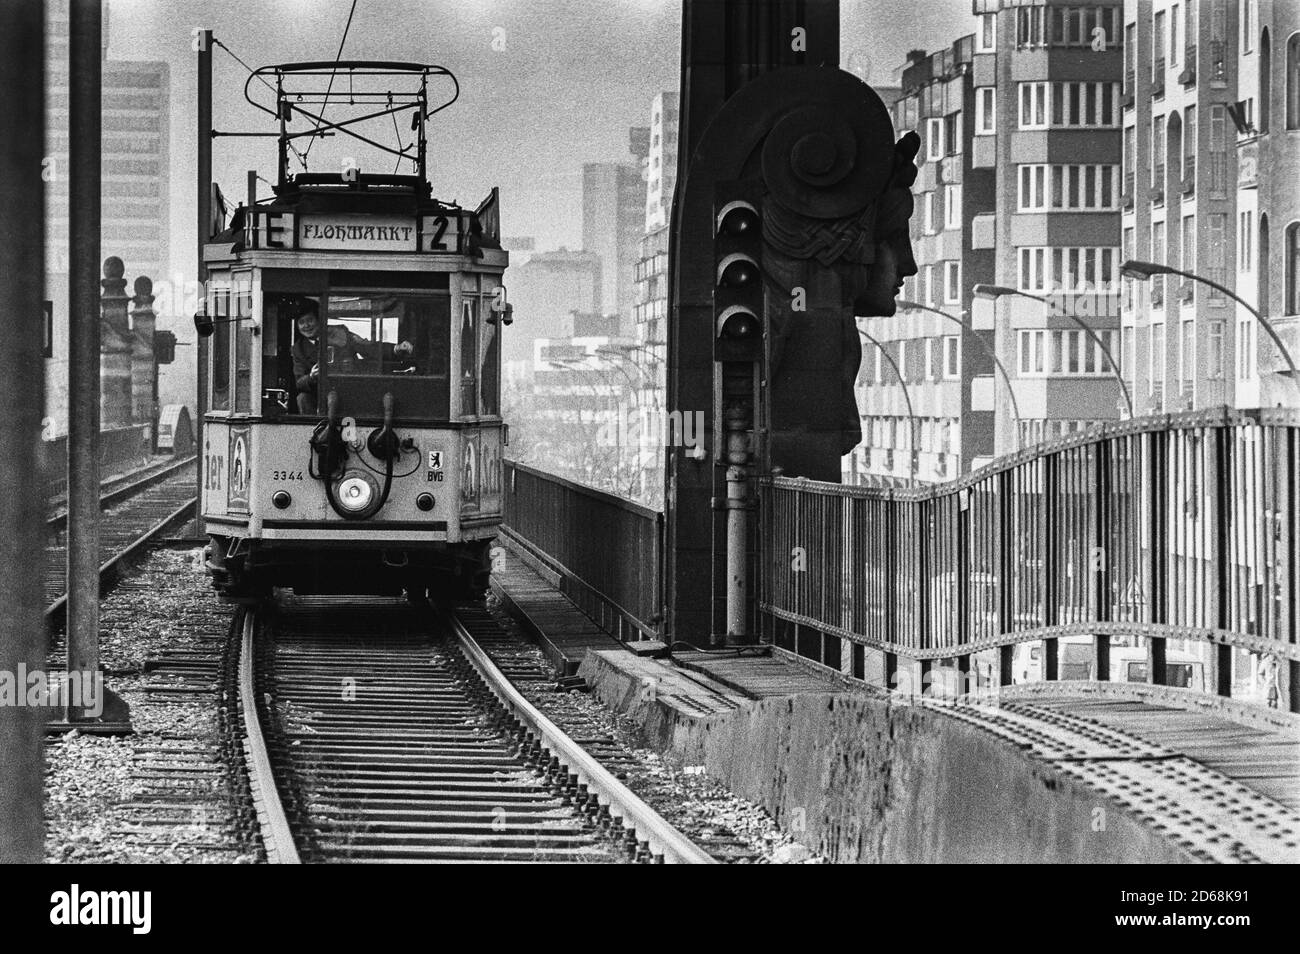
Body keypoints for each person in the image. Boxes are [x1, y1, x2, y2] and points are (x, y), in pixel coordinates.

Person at [290, 298, 415, 413]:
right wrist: (311, 377)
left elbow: (368, 347)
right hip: (320, 396)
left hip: (348, 389)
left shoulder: (340, 333)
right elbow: (299, 382)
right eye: (302, 322)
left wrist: (396, 348)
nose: (306, 326)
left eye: (310, 320)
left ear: (319, 320)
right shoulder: (298, 349)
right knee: (302, 398)